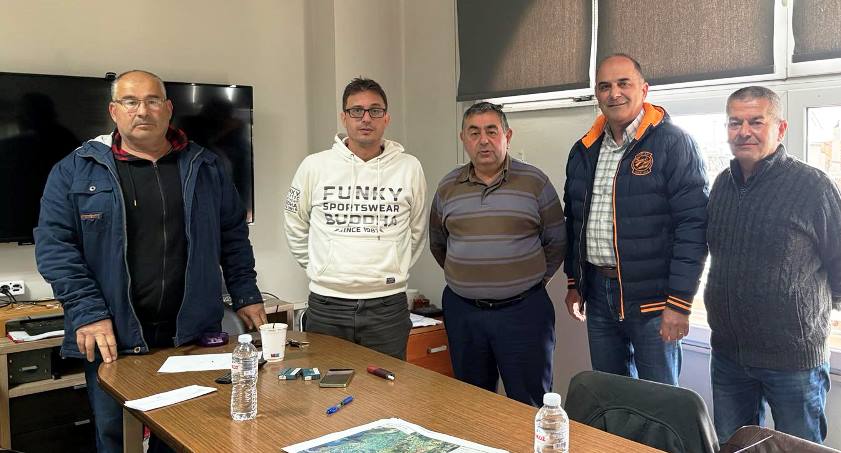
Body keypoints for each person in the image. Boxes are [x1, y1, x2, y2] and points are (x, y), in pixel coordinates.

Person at [34, 70, 267, 453]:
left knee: (185, 434)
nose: (142, 110)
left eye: (152, 100)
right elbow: (55, 247)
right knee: (116, 437)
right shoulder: (75, 169)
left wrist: (246, 294)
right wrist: (88, 312)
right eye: (130, 102)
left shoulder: (206, 167)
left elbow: (233, 236)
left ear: (168, 108)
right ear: (114, 111)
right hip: (113, 336)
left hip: (191, 336)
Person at [705, 86, 841, 443]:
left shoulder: (814, 187)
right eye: (734, 122)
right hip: (729, 357)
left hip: (794, 361)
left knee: (801, 450)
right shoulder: (722, 186)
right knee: (733, 447)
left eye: (756, 121)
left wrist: (809, 311)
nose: (743, 131)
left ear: (780, 129)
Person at [563, 54, 708, 385]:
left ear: (644, 89)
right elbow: (574, 219)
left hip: (654, 301)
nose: (614, 93)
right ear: (597, 94)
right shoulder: (583, 150)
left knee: (661, 401)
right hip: (598, 295)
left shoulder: (674, 143)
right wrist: (575, 282)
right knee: (611, 395)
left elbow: (693, 227)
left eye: (623, 83)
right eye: (605, 86)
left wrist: (679, 303)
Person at [430, 102, 565, 407]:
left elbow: (557, 242)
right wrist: (470, 277)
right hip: (465, 313)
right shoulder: (448, 186)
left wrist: (529, 282)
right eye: (474, 132)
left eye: (492, 131)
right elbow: (438, 242)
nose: (483, 140)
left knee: (530, 403)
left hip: (524, 312)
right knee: (471, 403)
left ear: (507, 136)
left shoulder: (535, 182)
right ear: (463, 139)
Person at [284, 77, 427, 360]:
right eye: (356, 111)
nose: (366, 118)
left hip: (387, 307)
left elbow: (417, 229)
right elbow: (295, 223)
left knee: (386, 384)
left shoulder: (409, 167)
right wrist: (322, 268)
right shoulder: (314, 166)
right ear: (344, 117)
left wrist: (392, 266)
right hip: (328, 305)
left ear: (386, 118)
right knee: (326, 383)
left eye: (375, 110)